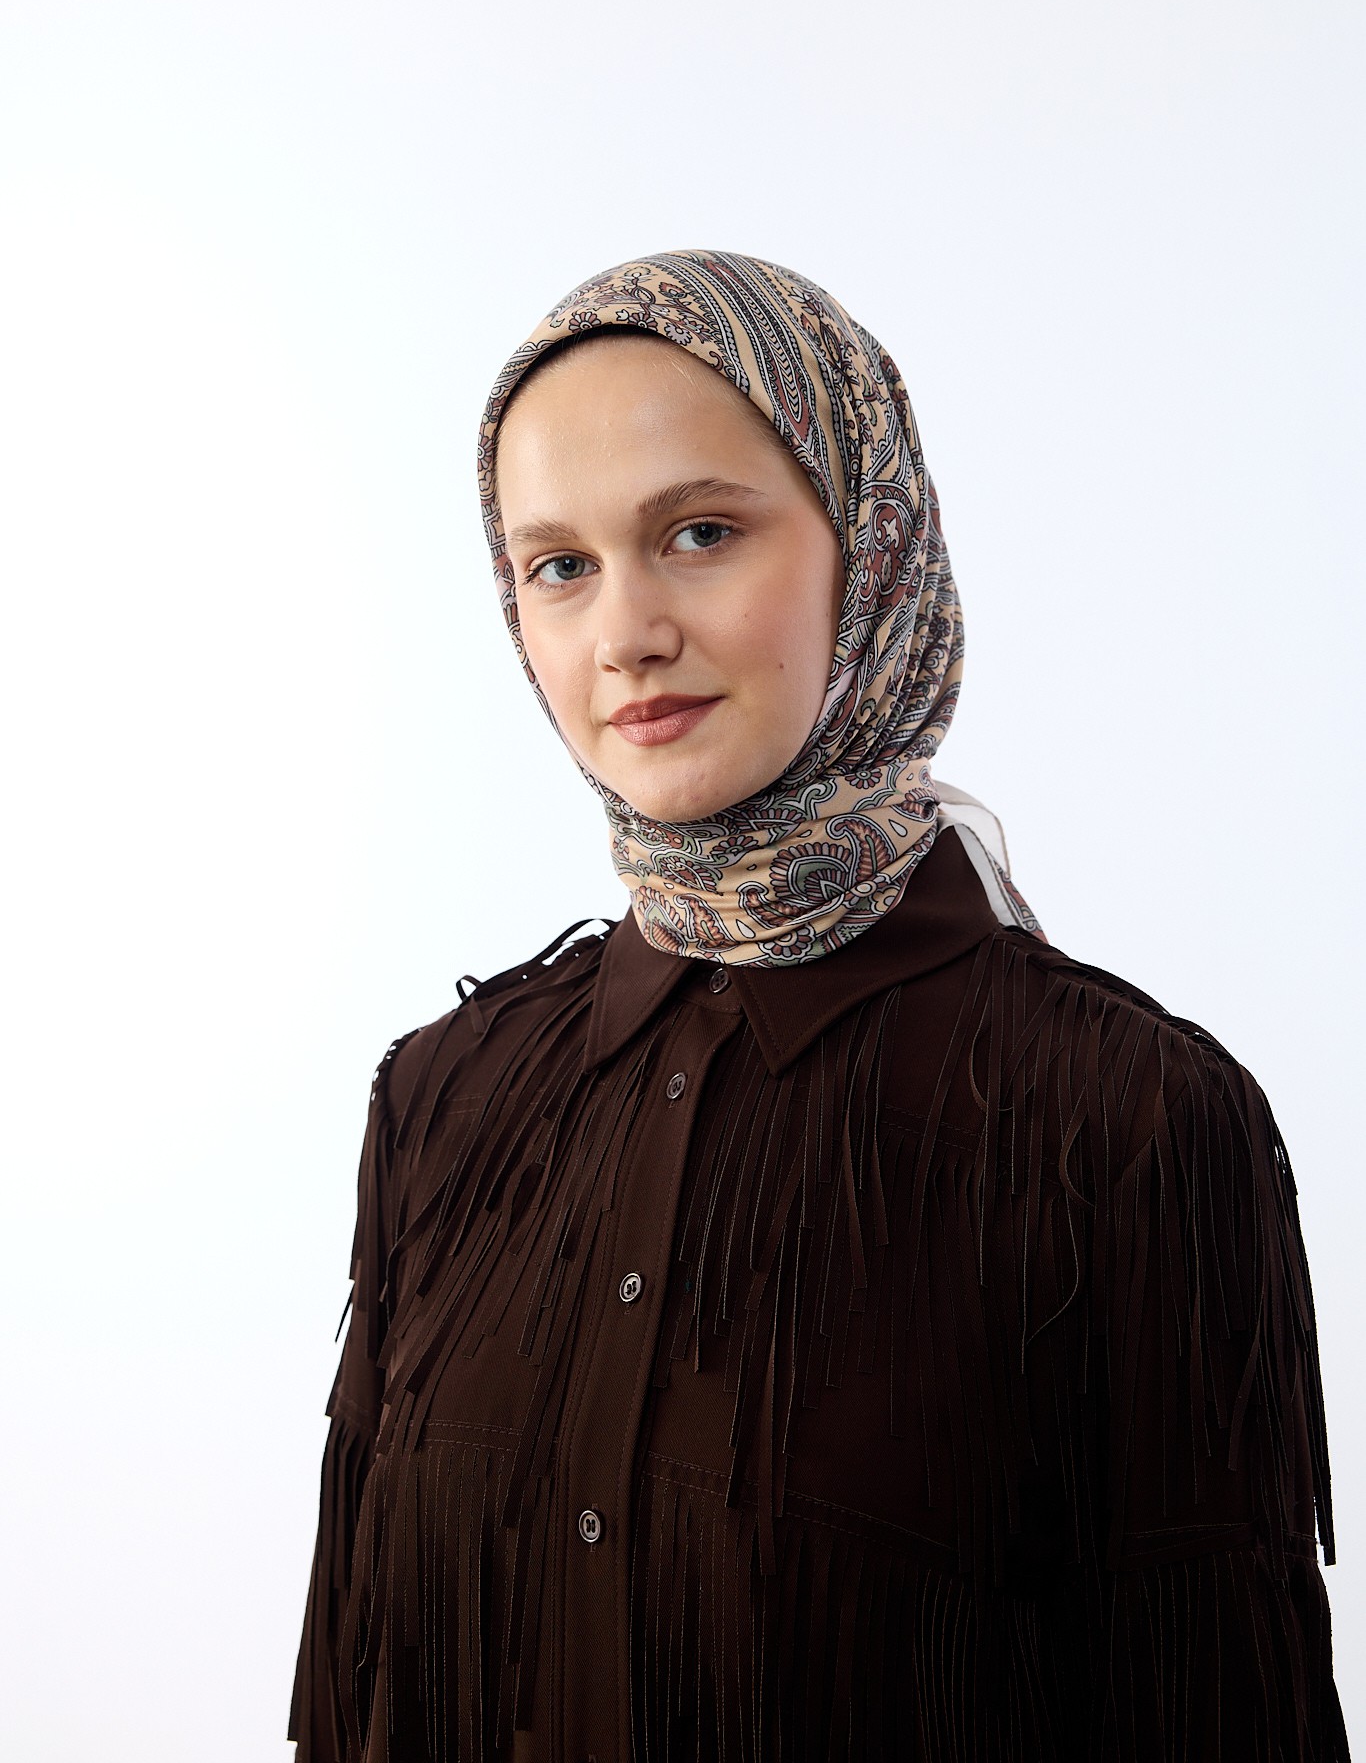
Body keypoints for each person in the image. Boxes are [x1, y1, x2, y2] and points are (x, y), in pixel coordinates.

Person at [290, 251, 1348, 1761]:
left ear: (873, 541)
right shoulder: (443, 1098)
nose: (624, 633)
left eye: (700, 533)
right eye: (559, 566)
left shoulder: (1126, 1122)